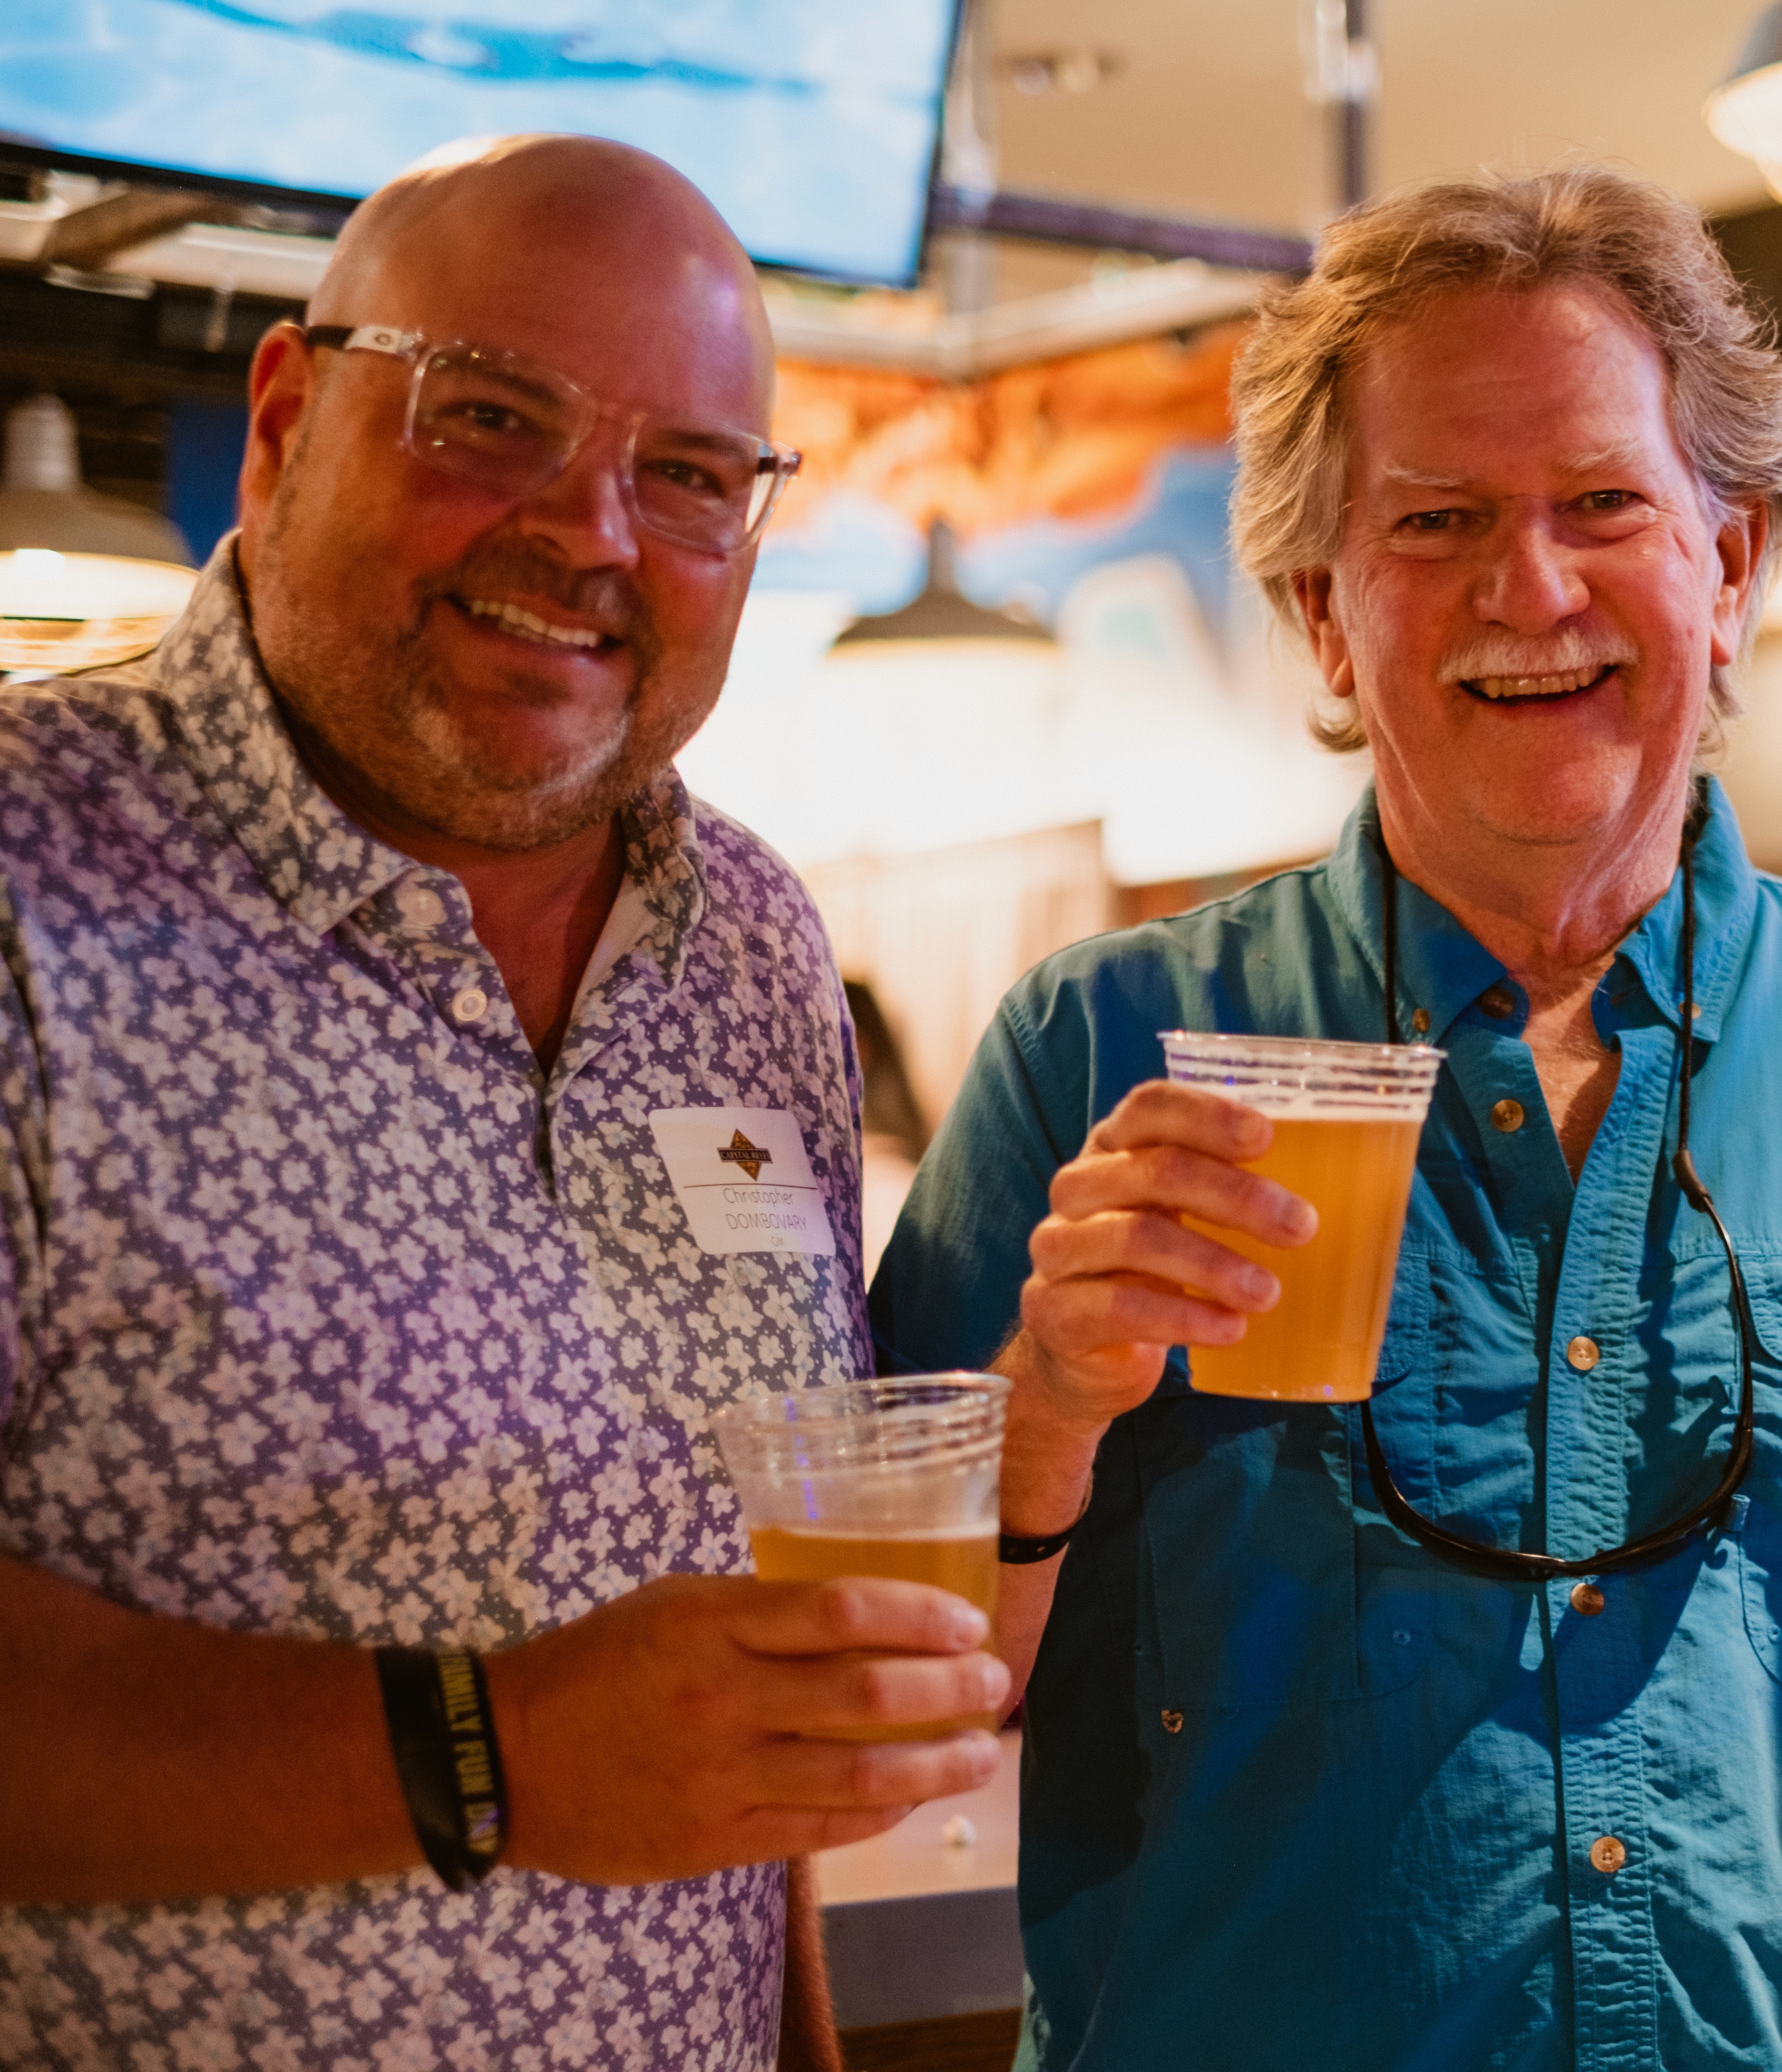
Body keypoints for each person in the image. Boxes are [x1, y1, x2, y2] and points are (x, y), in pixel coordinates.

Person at [869, 165, 1782, 2071]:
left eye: (1604, 505)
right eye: (1437, 519)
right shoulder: (1100, 1052)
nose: (1531, 590)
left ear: (1732, 568)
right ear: (1323, 612)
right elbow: (888, 1709)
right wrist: (1047, 1406)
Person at [0, 136, 1009, 2069]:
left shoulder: (751, 943)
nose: (590, 532)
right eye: (490, 417)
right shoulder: (30, 880)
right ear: (284, 423)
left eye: (690, 475)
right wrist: (489, 1748)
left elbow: (768, 1735)